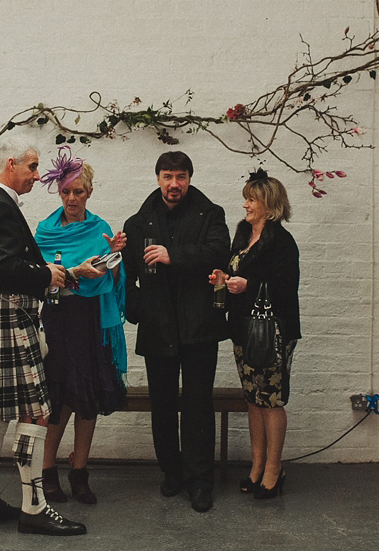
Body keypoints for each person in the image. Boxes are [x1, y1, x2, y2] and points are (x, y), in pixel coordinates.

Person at [0, 137, 86, 536]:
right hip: (7, 315)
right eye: (31, 167)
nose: (36, 175)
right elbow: (4, 266)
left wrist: (55, 274)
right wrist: (45, 274)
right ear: (10, 165)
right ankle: (34, 506)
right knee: (37, 413)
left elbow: (3, 263)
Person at [123, 151, 230, 513]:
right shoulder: (137, 223)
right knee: (163, 406)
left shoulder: (210, 214)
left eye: (181, 177)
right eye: (168, 176)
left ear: (189, 179)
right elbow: (127, 275)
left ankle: (200, 482)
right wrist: (136, 309)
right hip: (157, 327)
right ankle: (172, 473)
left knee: (198, 405)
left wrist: (173, 255)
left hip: (199, 326)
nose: (174, 184)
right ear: (157, 178)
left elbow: (219, 253)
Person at [32, 148, 128, 505]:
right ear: (59, 192)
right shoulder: (44, 232)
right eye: (66, 192)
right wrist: (70, 275)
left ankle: (80, 471)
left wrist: (115, 257)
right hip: (58, 320)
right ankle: (47, 470)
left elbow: (113, 279)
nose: (72, 198)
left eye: (79, 192)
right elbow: (38, 278)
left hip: (91, 320)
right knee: (57, 399)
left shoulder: (101, 229)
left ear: (89, 192)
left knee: (88, 398)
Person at [210, 170, 300, 500]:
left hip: (273, 332)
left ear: (269, 205)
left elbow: (287, 289)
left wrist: (248, 286)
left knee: (271, 400)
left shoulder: (281, 241)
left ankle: (275, 468)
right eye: (246, 197)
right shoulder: (243, 234)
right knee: (253, 400)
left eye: (252, 198)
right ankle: (257, 465)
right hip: (243, 329)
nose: (245, 204)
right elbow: (237, 273)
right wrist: (224, 277)